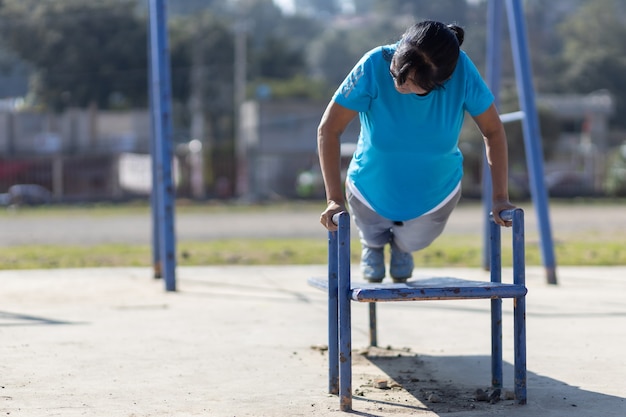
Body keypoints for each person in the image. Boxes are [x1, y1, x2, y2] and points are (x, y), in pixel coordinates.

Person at [317, 20, 516, 283]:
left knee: (412, 241)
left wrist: (500, 197)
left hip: (434, 198)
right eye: (398, 72)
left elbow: (493, 131)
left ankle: (402, 249)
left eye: (412, 84)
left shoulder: (462, 71)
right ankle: (373, 246)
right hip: (368, 190)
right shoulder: (374, 64)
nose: (400, 83)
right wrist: (333, 199)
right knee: (371, 231)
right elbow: (329, 129)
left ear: (441, 83)